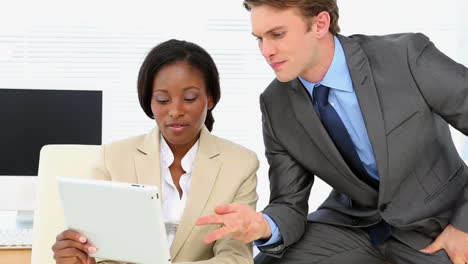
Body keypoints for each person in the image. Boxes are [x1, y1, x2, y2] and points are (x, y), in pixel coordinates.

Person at [196, 1, 468, 263]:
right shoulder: (275, 103)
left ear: (320, 23)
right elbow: (289, 203)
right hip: (353, 224)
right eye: (259, 38)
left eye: (277, 34)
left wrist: (464, 224)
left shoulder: (405, 56)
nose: (266, 51)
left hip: (439, 221)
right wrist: (263, 225)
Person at [51, 39, 259, 264]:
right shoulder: (113, 158)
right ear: (149, 101)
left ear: (210, 99)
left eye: (189, 98)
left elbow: (236, 257)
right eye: (162, 99)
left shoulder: (240, 163)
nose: (176, 111)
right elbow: (103, 253)